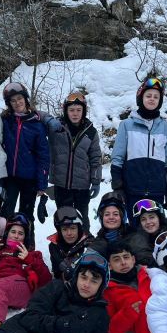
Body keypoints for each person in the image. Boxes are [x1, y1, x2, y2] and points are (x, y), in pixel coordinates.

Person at [111, 77, 167, 219]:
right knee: (135, 230)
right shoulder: (126, 125)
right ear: (141, 98)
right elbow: (117, 158)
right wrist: (118, 186)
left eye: (156, 97)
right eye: (148, 96)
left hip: (156, 191)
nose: (152, 99)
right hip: (132, 191)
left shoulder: (165, 128)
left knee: (155, 227)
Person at [0, 82, 50, 238]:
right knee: (6, 212)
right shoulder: (6, 121)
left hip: (30, 178)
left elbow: (43, 156)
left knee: (26, 214)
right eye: (13, 100)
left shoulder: (36, 124)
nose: (17, 103)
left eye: (20, 99)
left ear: (26, 99)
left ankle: (28, 245)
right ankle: (3, 243)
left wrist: (42, 183)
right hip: (10, 177)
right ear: (9, 104)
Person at [48, 92, 102, 233]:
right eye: (71, 110)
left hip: (82, 186)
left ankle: (85, 243)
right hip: (61, 184)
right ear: (66, 110)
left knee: (82, 220)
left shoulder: (91, 132)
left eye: (79, 110)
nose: (75, 113)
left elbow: (95, 158)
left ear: (84, 111)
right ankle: (63, 244)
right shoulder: (56, 128)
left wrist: (96, 181)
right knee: (63, 219)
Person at [89, 192, 154, 266]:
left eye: (115, 214)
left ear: (122, 217)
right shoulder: (99, 241)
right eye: (107, 214)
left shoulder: (134, 237)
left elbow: (146, 260)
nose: (111, 217)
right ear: (101, 218)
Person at [48, 206, 93, 280]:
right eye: (64, 229)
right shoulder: (54, 247)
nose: (69, 233)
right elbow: (57, 274)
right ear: (60, 231)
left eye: (73, 228)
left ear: (79, 229)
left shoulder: (89, 244)